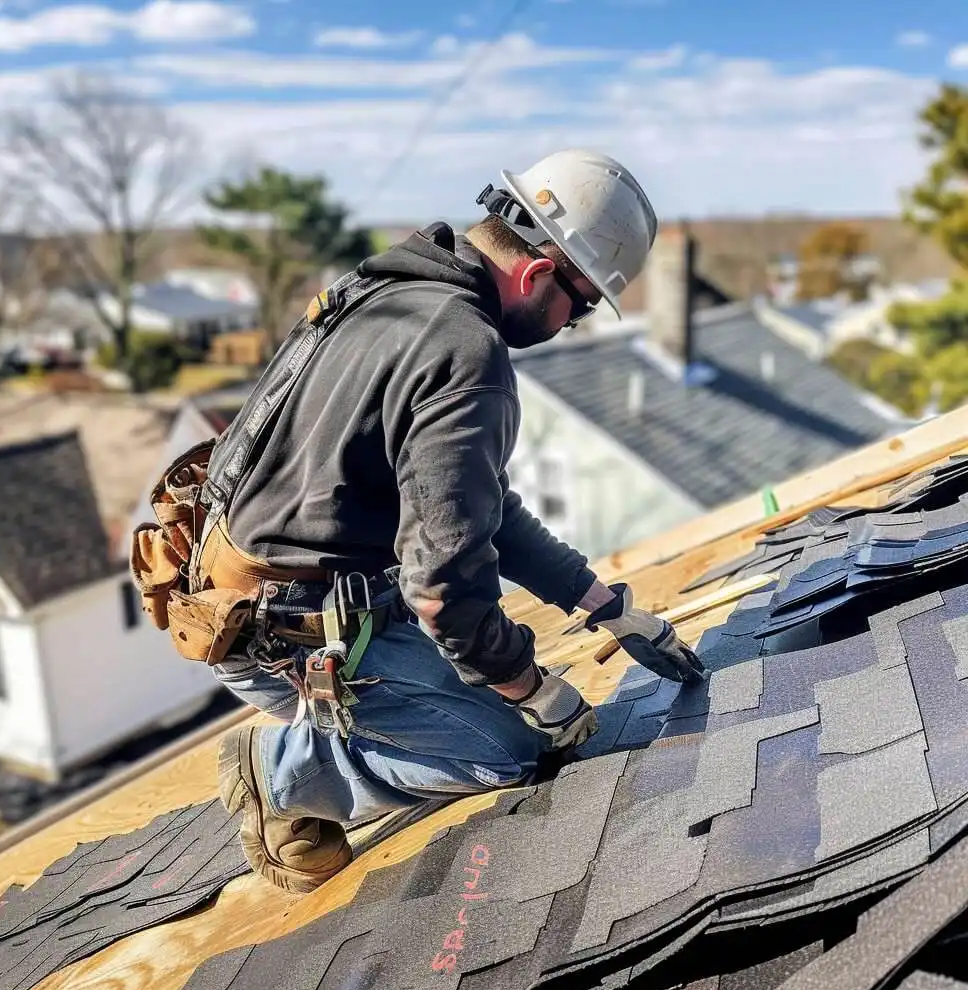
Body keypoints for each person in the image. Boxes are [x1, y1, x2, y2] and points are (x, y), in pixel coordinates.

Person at [200, 149, 707, 893]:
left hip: (276, 596)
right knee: (512, 751)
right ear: (538, 275)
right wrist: (531, 688)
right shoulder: (465, 353)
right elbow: (444, 587)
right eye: (580, 307)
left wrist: (607, 607)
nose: (573, 325)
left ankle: (354, 731)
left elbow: (478, 513)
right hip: (286, 637)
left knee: (489, 690)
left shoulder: (391, 287)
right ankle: (284, 769)